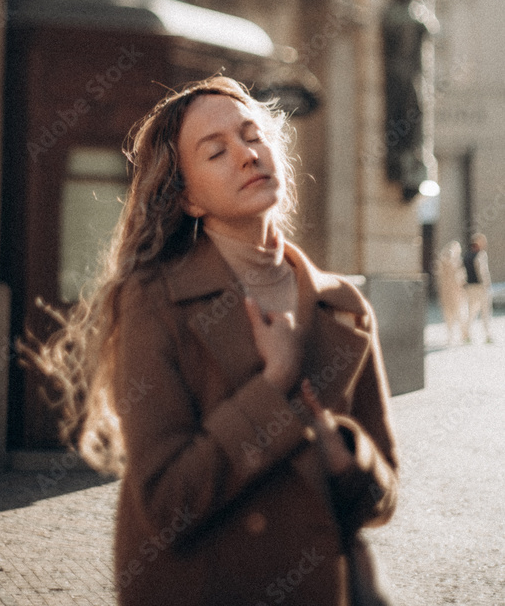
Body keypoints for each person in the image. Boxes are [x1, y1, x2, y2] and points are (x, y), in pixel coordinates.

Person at [20, 77, 399, 606]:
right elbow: (167, 503)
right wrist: (274, 386)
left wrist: (344, 455)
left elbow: (381, 501)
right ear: (187, 198)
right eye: (216, 151)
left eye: (254, 136)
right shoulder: (154, 301)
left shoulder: (345, 307)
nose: (247, 155)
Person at [434, 240, 468, 346]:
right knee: (454, 315)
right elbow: (461, 278)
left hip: (453, 293)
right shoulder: (451, 263)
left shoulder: (449, 262)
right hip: (451, 294)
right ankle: (455, 335)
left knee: (455, 315)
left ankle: (460, 335)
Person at [463, 233, 493, 344]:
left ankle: (466, 335)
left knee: (471, 311)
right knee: (485, 312)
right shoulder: (481, 254)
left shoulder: (467, 255)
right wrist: (487, 285)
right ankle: (488, 335)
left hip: (470, 287)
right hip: (480, 287)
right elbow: (482, 271)